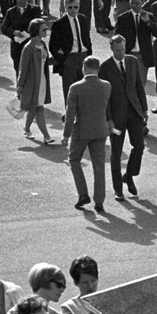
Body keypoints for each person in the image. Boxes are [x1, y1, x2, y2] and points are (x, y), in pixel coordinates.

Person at [100, 34, 150, 200]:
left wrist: (144, 109)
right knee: (116, 152)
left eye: (122, 50)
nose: (121, 53)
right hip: (116, 117)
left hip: (134, 113)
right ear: (111, 49)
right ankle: (118, 189)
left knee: (139, 146)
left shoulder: (132, 61)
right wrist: (108, 119)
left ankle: (129, 174)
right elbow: (105, 97)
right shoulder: (105, 67)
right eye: (117, 51)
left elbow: (139, 86)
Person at [63, 56, 111, 212]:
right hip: (100, 129)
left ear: (84, 68)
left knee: (74, 160)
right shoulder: (106, 86)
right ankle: (99, 202)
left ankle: (83, 194)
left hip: (81, 131)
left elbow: (70, 114)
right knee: (99, 166)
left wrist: (66, 134)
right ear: (98, 69)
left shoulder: (75, 88)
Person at [16, 19, 54, 144]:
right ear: (35, 31)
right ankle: (46, 136)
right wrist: (20, 85)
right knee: (39, 109)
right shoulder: (28, 48)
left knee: (34, 107)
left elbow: (45, 61)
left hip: (42, 80)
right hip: (32, 83)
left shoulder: (43, 44)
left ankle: (26, 128)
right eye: (43, 29)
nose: (46, 31)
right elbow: (23, 68)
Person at [49, 0, 92, 100]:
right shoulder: (59, 23)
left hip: (83, 56)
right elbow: (52, 45)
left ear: (79, 6)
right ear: (65, 7)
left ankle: (82, 114)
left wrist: (89, 55)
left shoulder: (82, 19)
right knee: (70, 90)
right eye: (70, 7)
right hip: (69, 58)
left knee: (84, 89)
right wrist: (63, 59)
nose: (73, 10)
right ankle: (70, 114)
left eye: (75, 7)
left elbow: (87, 38)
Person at [1, 0, 42, 75]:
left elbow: (38, 26)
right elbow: (3, 28)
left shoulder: (35, 10)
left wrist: (27, 34)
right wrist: (14, 32)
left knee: (32, 72)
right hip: (17, 47)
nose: (19, 0)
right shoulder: (11, 12)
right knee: (19, 72)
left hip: (31, 45)